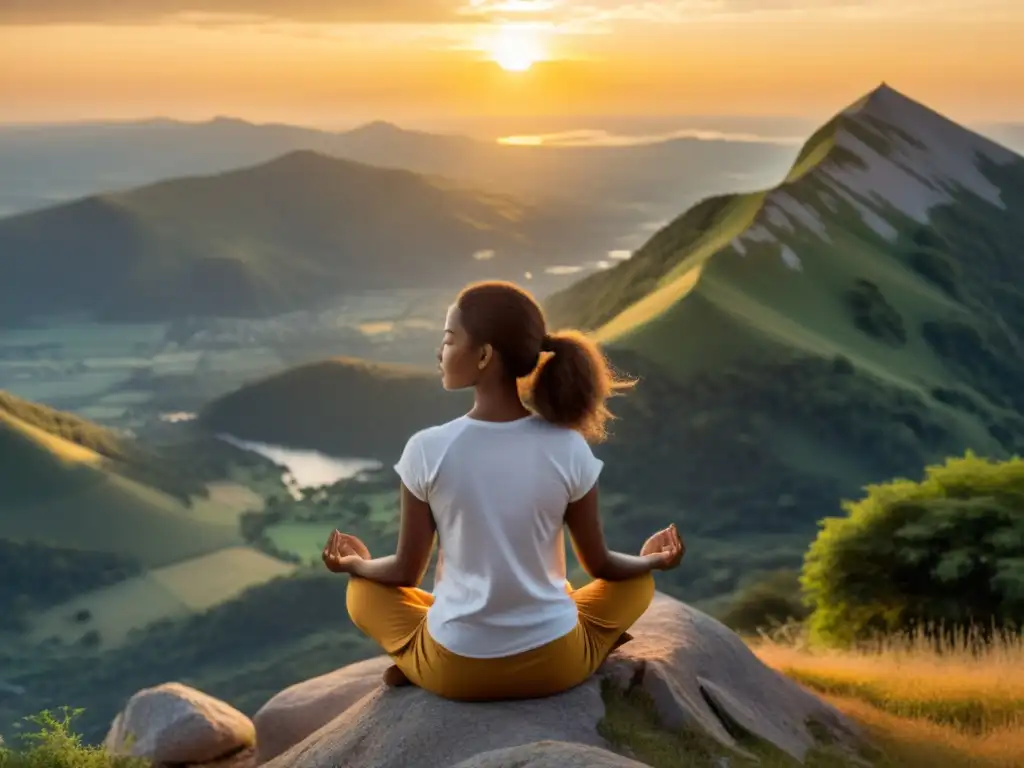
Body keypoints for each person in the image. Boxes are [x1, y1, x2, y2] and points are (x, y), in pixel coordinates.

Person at [321, 280, 685, 701]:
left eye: (448, 340)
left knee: (362, 594)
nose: (440, 353)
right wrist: (652, 560)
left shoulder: (427, 448)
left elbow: (404, 573)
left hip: (456, 671)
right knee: (638, 583)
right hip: (556, 665)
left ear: (483, 355)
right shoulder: (567, 445)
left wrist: (355, 565)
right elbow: (602, 565)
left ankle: (416, 662)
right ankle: (594, 647)